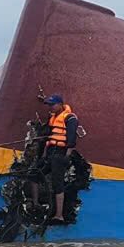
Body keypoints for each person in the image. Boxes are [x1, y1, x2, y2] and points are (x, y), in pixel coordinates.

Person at [38, 94, 79, 223]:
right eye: (49, 105)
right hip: (50, 153)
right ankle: (35, 204)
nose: (50, 107)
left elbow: (72, 139)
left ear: (60, 104)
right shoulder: (53, 118)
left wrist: (66, 156)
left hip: (60, 154)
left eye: (52, 104)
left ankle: (59, 215)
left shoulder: (70, 118)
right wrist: (44, 154)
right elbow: (49, 137)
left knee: (58, 184)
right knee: (34, 175)